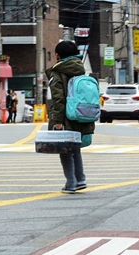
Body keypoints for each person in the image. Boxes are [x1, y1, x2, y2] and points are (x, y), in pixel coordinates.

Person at [45, 40, 95, 194]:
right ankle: (80, 180)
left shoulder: (58, 71)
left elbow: (58, 98)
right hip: (80, 114)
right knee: (75, 148)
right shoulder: (80, 69)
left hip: (65, 117)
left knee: (65, 150)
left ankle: (71, 183)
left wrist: (58, 121)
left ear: (58, 55)